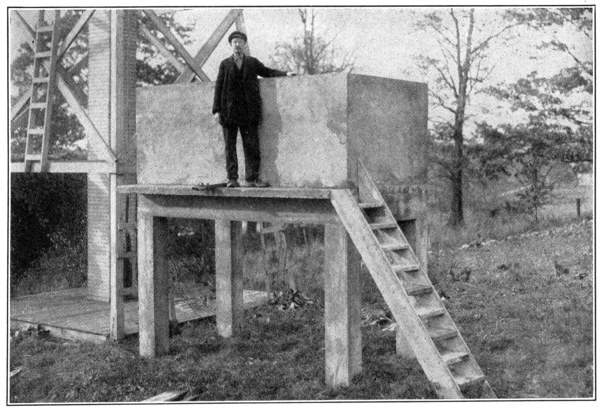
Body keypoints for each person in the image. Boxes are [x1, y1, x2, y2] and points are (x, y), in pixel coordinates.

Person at [212, 31, 295, 188]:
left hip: (248, 112)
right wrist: (216, 110)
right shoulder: (225, 64)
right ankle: (232, 179)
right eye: (235, 42)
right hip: (229, 112)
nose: (238, 44)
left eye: (240, 41)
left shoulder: (251, 62)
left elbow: (267, 72)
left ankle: (252, 179)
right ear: (231, 45)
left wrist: (285, 73)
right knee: (230, 147)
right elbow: (218, 87)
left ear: (245, 44)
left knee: (252, 146)